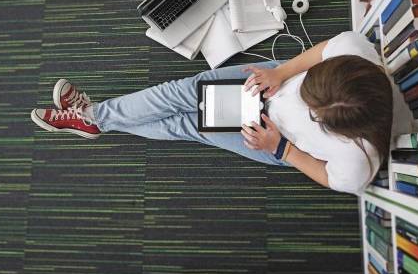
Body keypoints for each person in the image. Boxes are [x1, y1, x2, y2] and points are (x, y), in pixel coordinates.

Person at [31, 31, 397, 195]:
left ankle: (94, 119)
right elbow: (320, 52)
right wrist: (283, 74)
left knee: (187, 124)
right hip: (271, 82)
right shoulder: (355, 52)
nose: (306, 103)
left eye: (313, 111)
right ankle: (96, 118)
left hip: (275, 137)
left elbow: (325, 174)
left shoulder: (358, 164)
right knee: (178, 93)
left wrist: (282, 149)